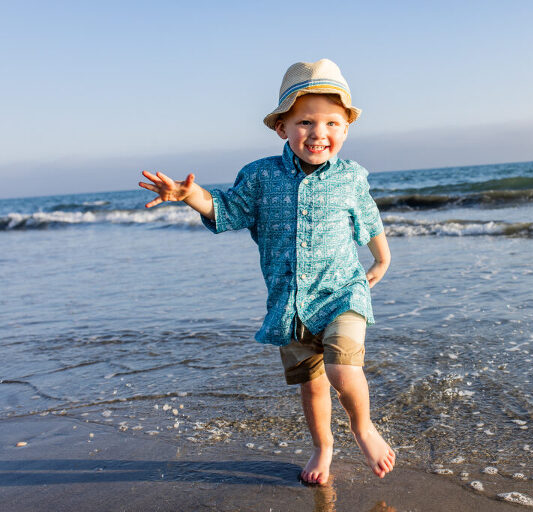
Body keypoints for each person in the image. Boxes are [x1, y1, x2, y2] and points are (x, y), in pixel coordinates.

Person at [138, 59, 395, 485]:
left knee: (342, 368)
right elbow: (225, 210)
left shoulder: (351, 178)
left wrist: (382, 260)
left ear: (346, 128)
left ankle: (363, 428)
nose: (319, 133)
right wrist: (190, 195)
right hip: (290, 304)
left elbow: (368, 220)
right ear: (282, 128)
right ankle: (323, 447)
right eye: (306, 122)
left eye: (332, 122)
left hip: (342, 292)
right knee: (312, 385)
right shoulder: (260, 176)